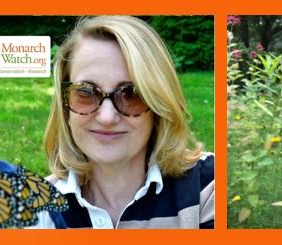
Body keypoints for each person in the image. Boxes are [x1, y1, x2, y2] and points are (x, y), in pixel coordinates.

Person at [37, 16, 214, 229]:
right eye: (85, 92)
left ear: (158, 104)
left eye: (131, 94)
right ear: (64, 106)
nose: (107, 117)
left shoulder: (208, 186)